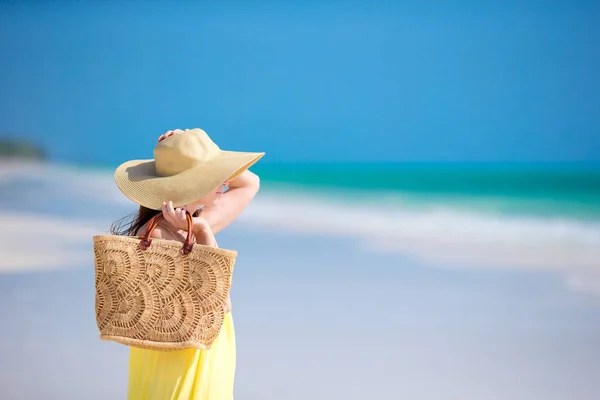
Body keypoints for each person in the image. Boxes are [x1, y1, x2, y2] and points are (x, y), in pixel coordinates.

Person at [111, 128, 264, 400]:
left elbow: (250, 182)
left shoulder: (193, 220)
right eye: (215, 175)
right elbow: (219, 302)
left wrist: (193, 151)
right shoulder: (160, 234)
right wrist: (204, 234)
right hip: (178, 366)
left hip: (201, 356)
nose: (225, 182)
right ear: (191, 184)